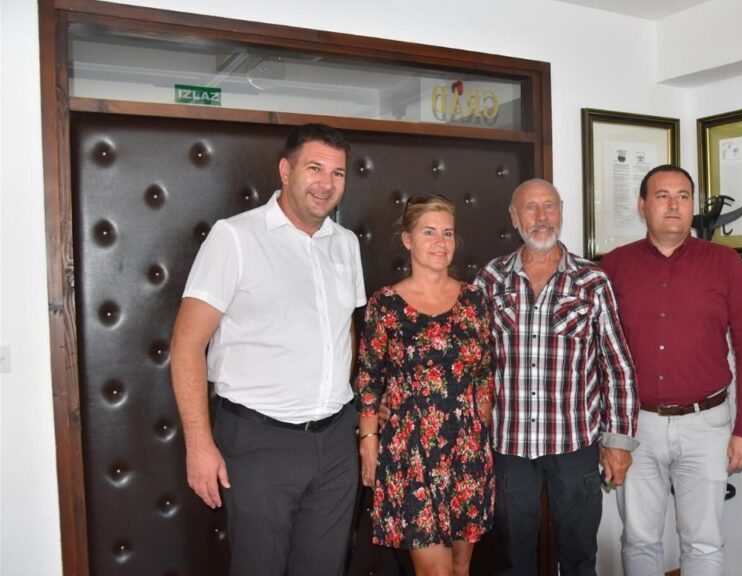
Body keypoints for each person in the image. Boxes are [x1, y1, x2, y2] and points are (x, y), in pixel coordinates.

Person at [169, 123, 365, 576]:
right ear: (285, 170)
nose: (326, 183)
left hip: (336, 443)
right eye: (314, 168)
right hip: (259, 443)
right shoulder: (235, 237)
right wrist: (199, 444)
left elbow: (346, 330)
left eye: (337, 173)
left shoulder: (347, 244)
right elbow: (186, 344)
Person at [601, 165, 742, 576]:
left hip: (707, 424)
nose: (673, 205)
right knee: (639, 539)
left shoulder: (725, 263)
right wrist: (608, 434)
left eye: (683, 196)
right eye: (662, 196)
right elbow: (597, 354)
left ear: (692, 205)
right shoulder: (614, 266)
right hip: (636, 426)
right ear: (642, 205)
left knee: (704, 543)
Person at [474, 178, 638, 576]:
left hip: (575, 443)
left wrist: (618, 442)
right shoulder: (490, 279)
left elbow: (617, 364)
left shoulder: (592, 281)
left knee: (580, 557)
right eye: (530, 207)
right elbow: (473, 362)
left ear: (561, 211)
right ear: (514, 216)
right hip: (509, 445)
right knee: (512, 559)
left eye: (550, 206)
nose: (542, 217)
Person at [355, 194, 495, 576]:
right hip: (410, 453)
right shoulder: (386, 304)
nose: (440, 242)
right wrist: (369, 443)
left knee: (460, 567)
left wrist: (478, 429)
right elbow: (369, 378)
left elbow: (484, 372)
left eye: (448, 233)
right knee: (436, 572)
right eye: (429, 232)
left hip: (466, 451)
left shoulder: (475, 300)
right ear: (407, 239)